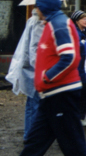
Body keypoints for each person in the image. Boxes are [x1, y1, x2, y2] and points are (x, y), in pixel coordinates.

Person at [20, 0, 86, 156]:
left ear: (44, 7)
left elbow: (69, 57)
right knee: (35, 142)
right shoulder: (53, 23)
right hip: (51, 95)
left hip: (61, 94)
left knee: (73, 145)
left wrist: (46, 76)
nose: (36, 10)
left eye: (37, 6)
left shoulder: (58, 25)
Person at [6, 8, 45, 143]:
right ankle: (32, 137)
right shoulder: (38, 23)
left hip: (28, 68)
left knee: (31, 103)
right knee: (35, 103)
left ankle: (29, 135)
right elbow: (35, 48)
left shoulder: (31, 20)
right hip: (34, 69)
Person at [70, 10, 86, 127]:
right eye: (84, 19)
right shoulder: (74, 32)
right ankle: (77, 117)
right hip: (78, 67)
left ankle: (81, 116)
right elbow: (78, 47)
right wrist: (84, 43)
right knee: (79, 92)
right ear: (77, 21)